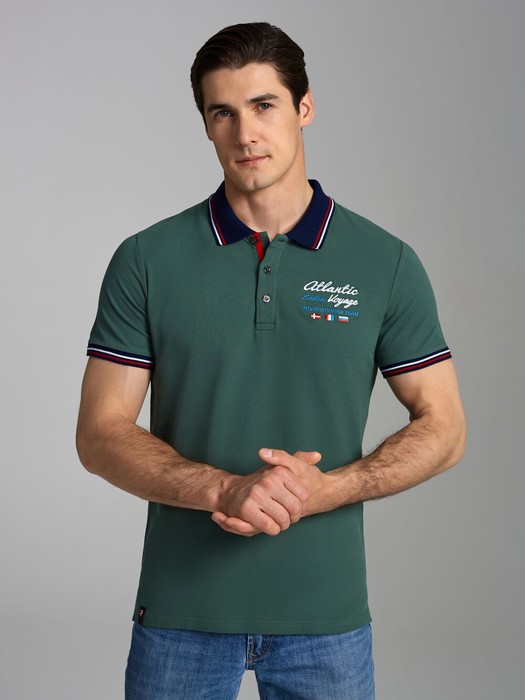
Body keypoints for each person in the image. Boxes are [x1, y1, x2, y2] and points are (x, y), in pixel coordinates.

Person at [76, 21, 465, 700]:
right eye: (222, 113)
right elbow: (99, 433)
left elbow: (446, 428)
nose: (245, 134)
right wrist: (222, 490)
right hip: (180, 615)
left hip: (326, 619)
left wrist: (327, 491)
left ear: (303, 107)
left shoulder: (385, 263)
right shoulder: (146, 260)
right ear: (205, 124)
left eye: (263, 105)